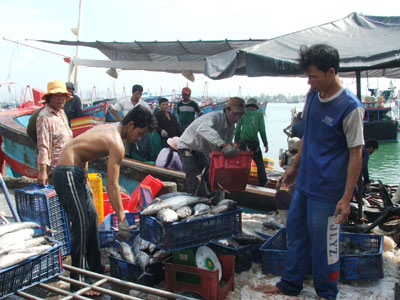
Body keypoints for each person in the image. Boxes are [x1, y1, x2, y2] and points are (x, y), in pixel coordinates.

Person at [265, 44, 364, 300]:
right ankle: (291, 284)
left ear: (331, 72)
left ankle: (326, 293)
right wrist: (293, 169)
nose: (309, 82)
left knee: (326, 246)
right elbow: (309, 136)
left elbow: (356, 154)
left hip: (329, 190)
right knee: (296, 234)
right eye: (307, 76)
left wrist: (346, 197)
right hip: (305, 185)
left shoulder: (350, 107)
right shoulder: (312, 96)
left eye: (313, 76)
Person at [52, 106, 156, 294]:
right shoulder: (117, 143)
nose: (139, 139)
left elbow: (82, 146)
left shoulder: (113, 126)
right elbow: (112, 185)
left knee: (91, 216)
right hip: (67, 172)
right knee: (81, 225)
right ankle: (79, 282)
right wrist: (122, 218)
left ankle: (95, 267)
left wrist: (83, 175)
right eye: (139, 134)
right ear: (131, 125)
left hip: (77, 172)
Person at [178, 97, 245, 196]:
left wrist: (232, 150)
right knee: (194, 179)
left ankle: (212, 202)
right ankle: (196, 201)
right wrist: (223, 145)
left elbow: (225, 146)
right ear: (227, 110)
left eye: (240, 115)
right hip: (186, 146)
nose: (237, 118)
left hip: (200, 151)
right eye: (235, 114)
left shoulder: (231, 128)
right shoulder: (215, 117)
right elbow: (202, 129)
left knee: (212, 178)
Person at [36, 80, 73, 186]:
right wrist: (43, 172)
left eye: (63, 96)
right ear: (49, 98)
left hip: (68, 165)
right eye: (57, 95)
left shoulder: (61, 113)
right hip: (55, 170)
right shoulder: (44, 116)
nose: (60, 99)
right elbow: (43, 146)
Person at [234, 98, 268, 186]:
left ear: (247, 106)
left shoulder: (242, 114)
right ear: (256, 106)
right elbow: (262, 131)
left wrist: (236, 141)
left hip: (243, 142)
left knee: (242, 163)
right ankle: (263, 182)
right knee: (259, 163)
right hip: (254, 143)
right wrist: (266, 144)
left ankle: (239, 181)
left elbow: (237, 129)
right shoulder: (260, 115)